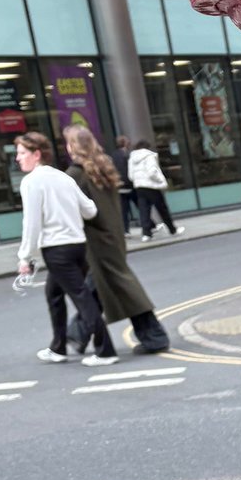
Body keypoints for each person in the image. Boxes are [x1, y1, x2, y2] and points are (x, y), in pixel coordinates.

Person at [63, 126, 171, 355]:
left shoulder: (76, 174)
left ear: (73, 147)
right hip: (112, 237)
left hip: (95, 240)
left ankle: (155, 337)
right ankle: (76, 334)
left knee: (118, 286)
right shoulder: (104, 165)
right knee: (99, 288)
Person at [14, 133, 117, 366]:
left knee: (82, 299)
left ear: (37, 154)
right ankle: (58, 347)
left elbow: (31, 223)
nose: (18, 159)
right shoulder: (64, 177)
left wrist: (25, 257)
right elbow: (90, 210)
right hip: (77, 246)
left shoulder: (31, 182)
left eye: (22, 153)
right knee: (54, 295)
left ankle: (106, 351)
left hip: (56, 249)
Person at [128, 138, 182, 240]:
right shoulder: (149, 156)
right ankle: (172, 229)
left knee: (144, 210)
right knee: (162, 209)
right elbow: (152, 171)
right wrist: (161, 181)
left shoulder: (132, 158)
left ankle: (146, 234)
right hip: (151, 186)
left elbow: (131, 175)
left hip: (139, 186)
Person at [111, 134, 135, 233]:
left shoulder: (114, 155)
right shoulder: (127, 155)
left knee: (124, 209)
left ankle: (125, 229)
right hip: (128, 184)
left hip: (119, 185)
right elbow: (125, 170)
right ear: (125, 143)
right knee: (142, 205)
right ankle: (150, 225)